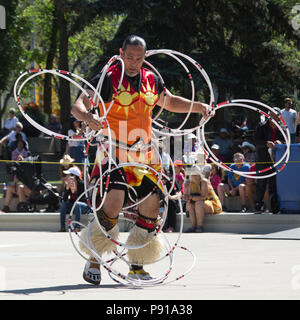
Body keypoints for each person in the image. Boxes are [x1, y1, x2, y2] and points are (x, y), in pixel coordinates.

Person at [71, 35, 210, 285]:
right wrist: (87, 117)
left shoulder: (151, 79)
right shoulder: (108, 77)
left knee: (152, 205)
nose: (134, 62)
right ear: (120, 53)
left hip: (144, 153)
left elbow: (167, 101)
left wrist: (198, 106)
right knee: (113, 203)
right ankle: (94, 257)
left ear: (145, 57)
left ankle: (137, 264)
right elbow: (78, 105)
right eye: (130, 57)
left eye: (139, 58)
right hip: (114, 150)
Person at [254, 107, 283, 214]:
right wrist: (266, 143)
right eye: (272, 115)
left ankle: (274, 206)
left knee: (274, 184)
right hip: (263, 159)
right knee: (261, 183)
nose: (274, 118)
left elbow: (286, 140)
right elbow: (256, 141)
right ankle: (258, 206)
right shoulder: (261, 126)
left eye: (276, 116)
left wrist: (280, 142)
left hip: (277, 160)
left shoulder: (282, 128)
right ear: (269, 116)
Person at [183, 165, 222, 233]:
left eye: (196, 174)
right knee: (189, 204)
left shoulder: (204, 182)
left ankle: (199, 226)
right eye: (193, 175)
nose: (195, 176)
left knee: (199, 203)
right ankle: (193, 226)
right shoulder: (189, 183)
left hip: (212, 203)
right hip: (199, 203)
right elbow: (186, 198)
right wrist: (186, 189)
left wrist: (191, 198)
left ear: (200, 174)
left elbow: (204, 197)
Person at [59, 166, 91, 232]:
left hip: (84, 206)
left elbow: (83, 199)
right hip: (74, 206)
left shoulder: (82, 184)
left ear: (74, 176)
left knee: (77, 204)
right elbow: (64, 200)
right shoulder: (69, 184)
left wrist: (74, 191)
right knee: (64, 204)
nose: (66, 177)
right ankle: (62, 227)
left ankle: (77, 227)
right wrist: (67, 189)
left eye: (68, 175)